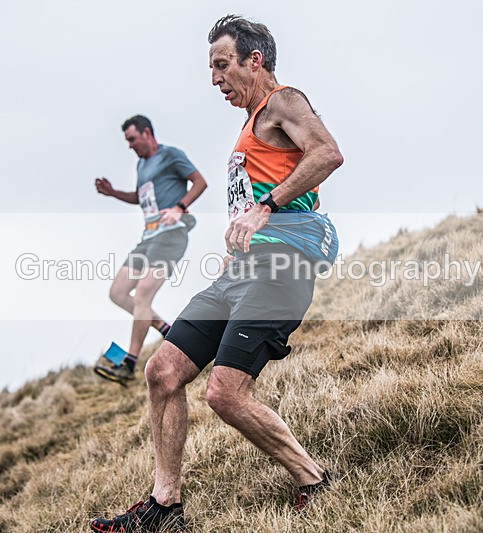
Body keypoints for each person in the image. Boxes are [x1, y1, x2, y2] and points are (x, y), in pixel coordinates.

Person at [91, 15, 343, 532]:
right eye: (211, 68)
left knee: (225, 393)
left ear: (255, 60)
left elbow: (328, 153)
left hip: (280, 272)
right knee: (161, 373)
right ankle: (164, 508)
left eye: (222, 65)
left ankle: (313, 479)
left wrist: (266, 207)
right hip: (240, 274)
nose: (214, 79)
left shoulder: (284, 102)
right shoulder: (251, 126)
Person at [93, 115, 207, 385]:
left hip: (171, 235)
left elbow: (200, 182)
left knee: (143, 293)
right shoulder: (142, 165)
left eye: (132, 139)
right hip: (148, 238)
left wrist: (179, 208)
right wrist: (113, 193)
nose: (130, 145)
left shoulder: (171, 155)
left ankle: (129, 364)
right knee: (118, 292)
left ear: (147, 133)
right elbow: (139, 196)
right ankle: (164, 327)